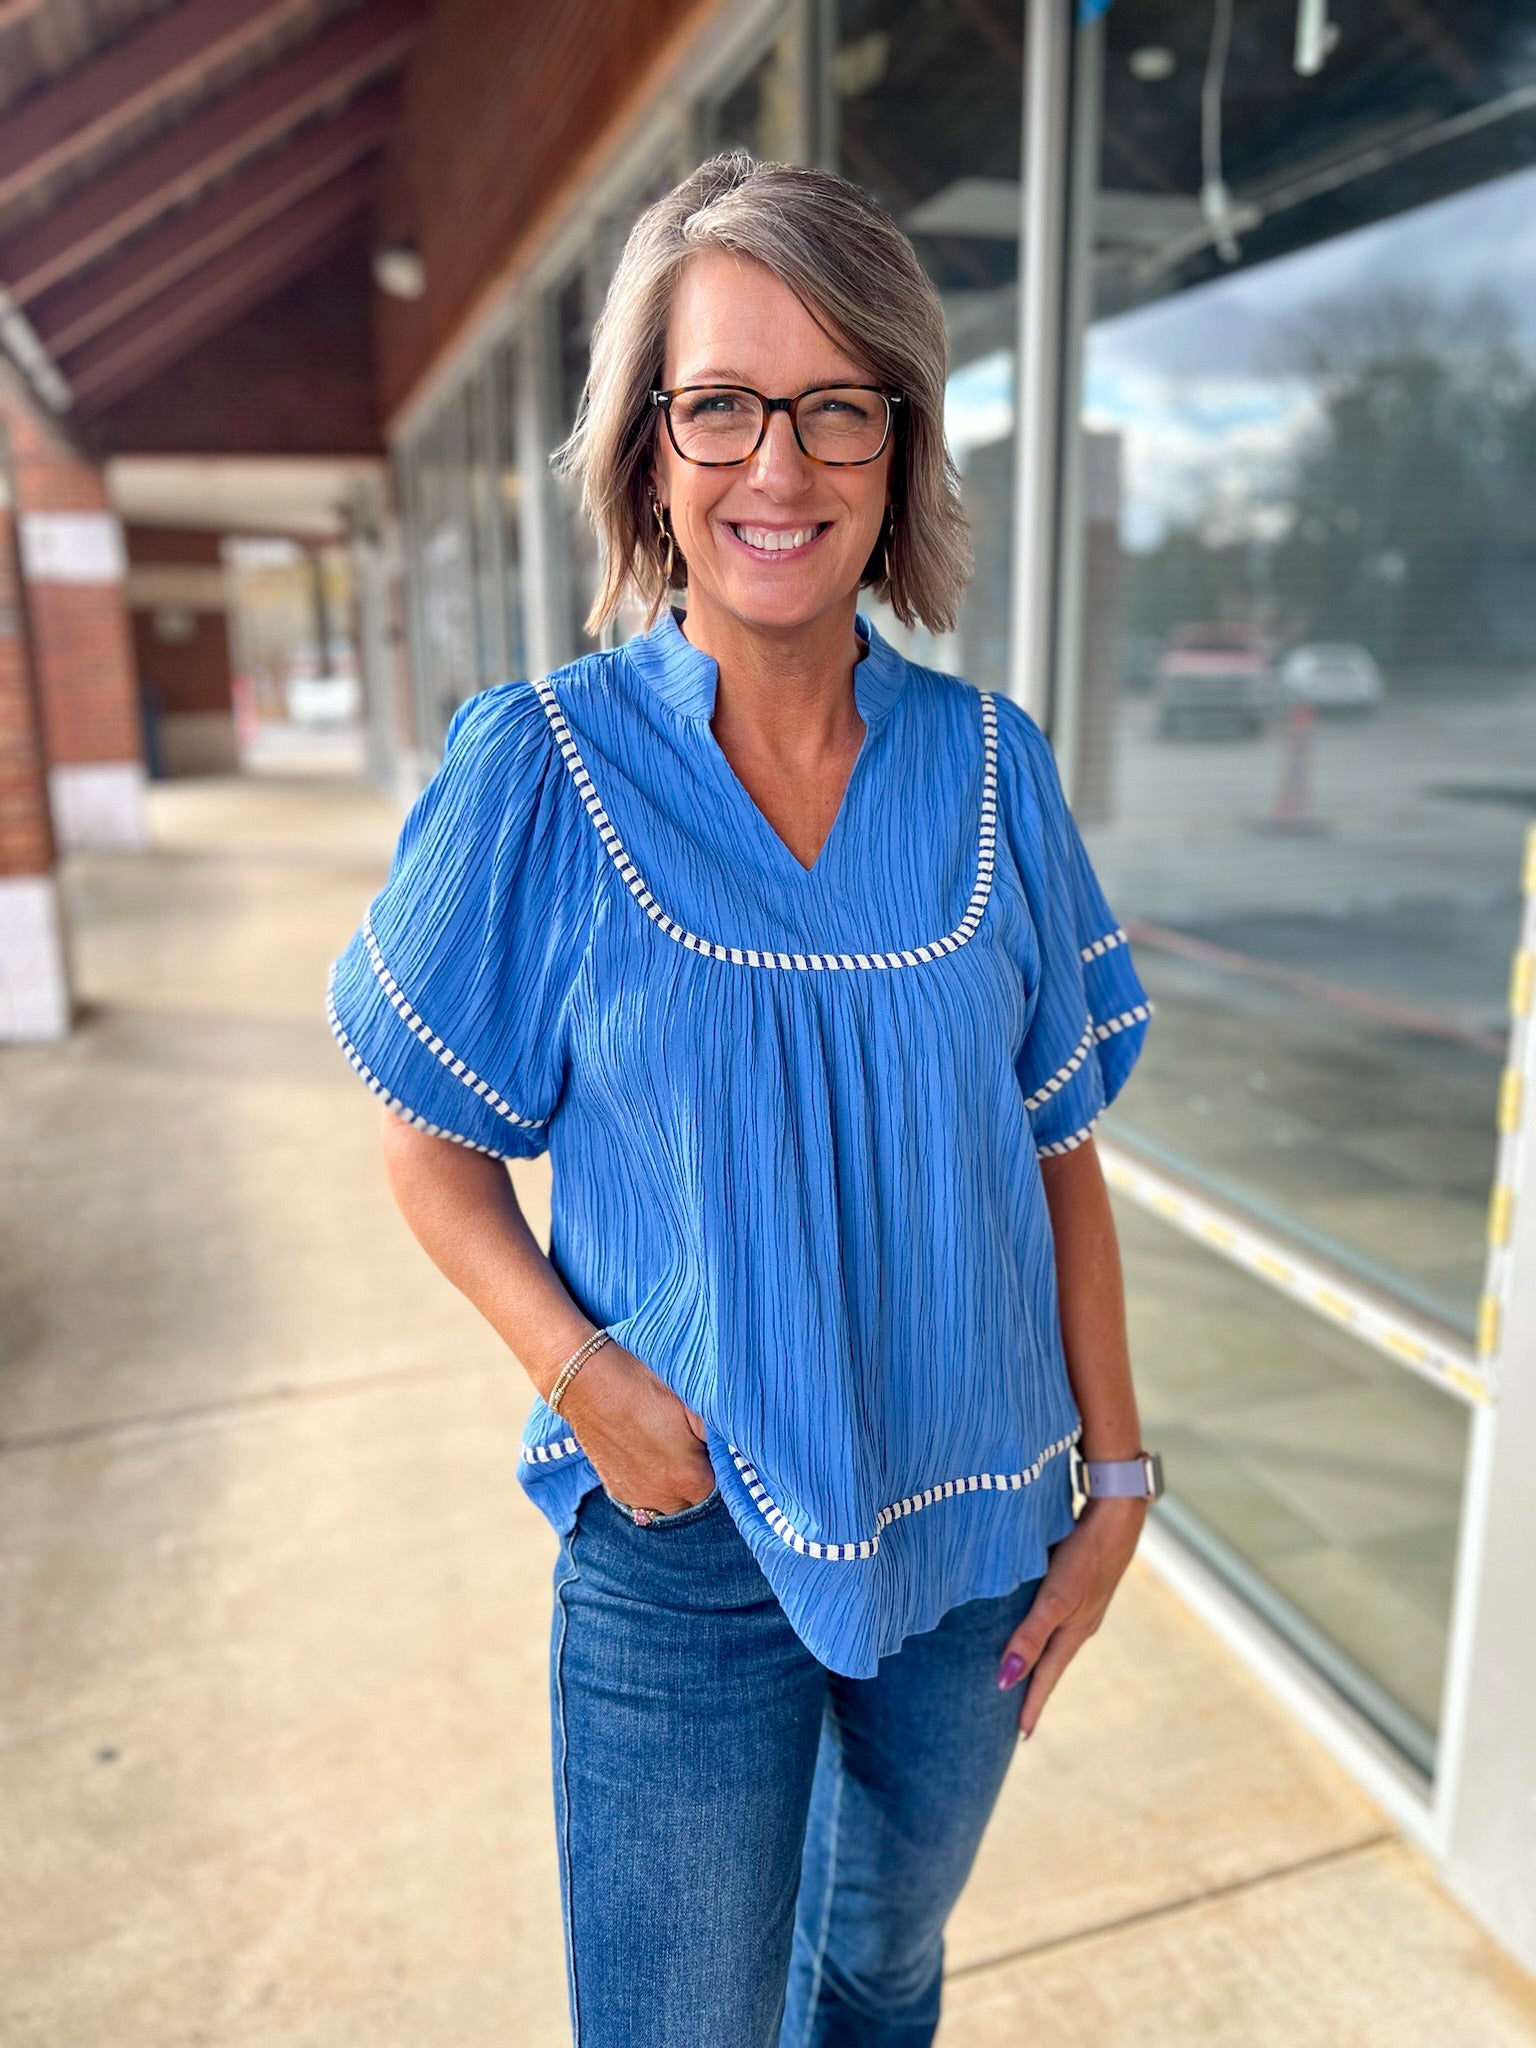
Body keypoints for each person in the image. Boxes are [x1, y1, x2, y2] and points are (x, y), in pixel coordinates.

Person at [327, 151, 1161, 2048]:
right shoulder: (537, 770)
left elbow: (1059, 1153)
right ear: (647, 449)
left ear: (896, 453)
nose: (776, 466)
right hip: (685, 1534)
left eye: (834, 408)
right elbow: (426, 1138)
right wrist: (580, 1377)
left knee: (879, 1961)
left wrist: (1117, 1486)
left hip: (976, 1532)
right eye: (720, 404)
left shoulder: (992, 772)